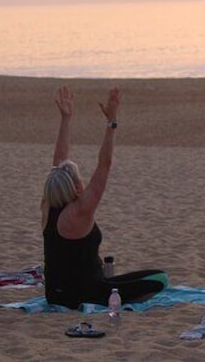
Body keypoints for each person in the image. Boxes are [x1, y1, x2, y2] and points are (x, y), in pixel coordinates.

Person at [42, 86, 168, 309]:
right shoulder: (80, 211)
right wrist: (111, 123)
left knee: (136, 278)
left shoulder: (47, 207)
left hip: (55, 294)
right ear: (75, 186)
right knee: (159, 279)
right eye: (79, 179)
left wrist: (66, 119)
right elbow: (104, 165)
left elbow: (58, 164)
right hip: (85, 294)